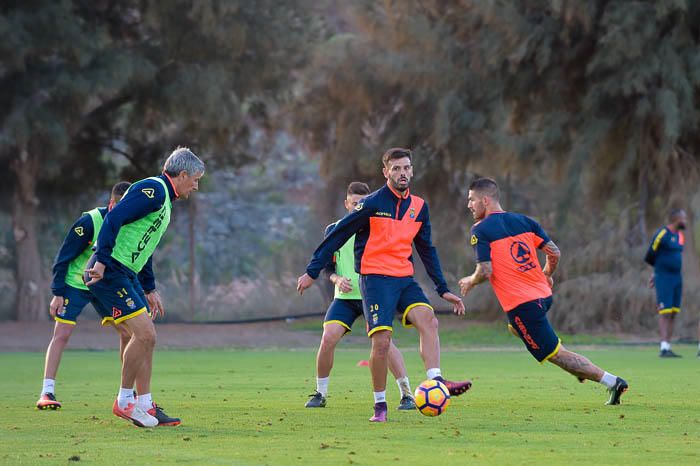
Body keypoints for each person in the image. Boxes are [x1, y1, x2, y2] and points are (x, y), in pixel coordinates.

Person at [298, 148, 471, 423]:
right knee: (381, 343)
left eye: (406, 168)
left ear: (412, 171)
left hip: (404, 278)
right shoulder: (370, 203)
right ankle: (380, 405)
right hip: (375, 279)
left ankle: (436, 380)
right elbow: (337, 235)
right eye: (396, 168)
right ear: (385, 172)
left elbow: (427, 249)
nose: (402, 173)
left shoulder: (419, 207)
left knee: (429, 319)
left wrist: (443, 289)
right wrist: (312, 272)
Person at [458, 177, 628, 405]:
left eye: (471, 200)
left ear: (485, 200)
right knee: (516, 327)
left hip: (524, 305)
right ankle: (574, 363)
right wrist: (546, 274)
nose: (469, 205)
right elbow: (554, 252)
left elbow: (485, 270)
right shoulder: (525, 221)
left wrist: (470, 280)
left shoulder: (480, 229)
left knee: (556, 355)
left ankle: (612, 381)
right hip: (543, 296)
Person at [85, 147, 205, 427]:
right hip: (110, 270)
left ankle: (146, 405)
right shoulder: (154, 189)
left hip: (126, 273)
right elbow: (113, 218)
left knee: (146, 339)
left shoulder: (165, 201)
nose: (196, 185)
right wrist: (101, 261)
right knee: (145, 334)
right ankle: (125, 401)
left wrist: (150, 288)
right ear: (183, 174)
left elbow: (145, 247)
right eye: (195, 179)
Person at [305, 181, 416, 410]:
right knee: (328, 338)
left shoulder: (381, 228)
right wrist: (337, 279)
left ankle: (407, 394)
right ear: (347, 204)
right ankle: (320, 393)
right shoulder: (334, 229)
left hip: (373, 296)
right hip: (345, 299)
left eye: (363, 203)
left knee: (384, 344)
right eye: (354, 203)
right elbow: (327, 266)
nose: (358, 207)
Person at [36, 182, 132, 411]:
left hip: (105, 283)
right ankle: (46, 391)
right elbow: (63, 256)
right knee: (62, 333)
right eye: (119, 208)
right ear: (111, 204)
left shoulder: (131, 222)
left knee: (129, 332)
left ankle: (128, 393)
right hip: (75, 283)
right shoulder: (90, 221)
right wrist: (57, 293)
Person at [644, 209, 688, 357]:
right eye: (684, 218)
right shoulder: (662, 233)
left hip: (677, 278)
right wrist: (654, 274)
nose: (685, 221)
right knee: (665, 312)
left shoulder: (681, 236)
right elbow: (650, 254)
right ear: (676, 219)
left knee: (674, 312)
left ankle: (668, 347)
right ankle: (663, 348)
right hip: (663, 277)